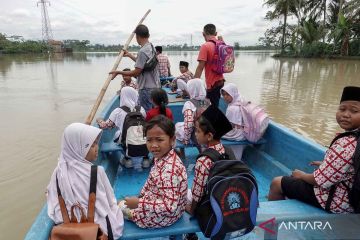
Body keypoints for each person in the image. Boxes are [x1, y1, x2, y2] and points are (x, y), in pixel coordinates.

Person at [268, 86, 360, 213]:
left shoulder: (345, 143)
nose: (345, 115)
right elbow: (353, 164)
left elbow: (319, 181)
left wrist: (301, 175)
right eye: (342, 109)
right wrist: (326, 164)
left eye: (354, 111)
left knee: (277, 183)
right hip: (352, 197)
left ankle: (271, 226)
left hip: (337, 202)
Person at [46, 123, 124, 239]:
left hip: (69, 226)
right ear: (78, 147)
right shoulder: (97, 171)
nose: (97, 148)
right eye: (91, 145)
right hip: (97, 229)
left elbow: (51, 197)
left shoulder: (58, 172)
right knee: (119, 206)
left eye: (96, 143)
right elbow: (109, 201)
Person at [119, 115, 188, 228]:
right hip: (174, 211)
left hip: (164, 218)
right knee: (127, 202)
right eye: (149, 140)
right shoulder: (164, 157)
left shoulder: (169, 171)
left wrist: (139, 203)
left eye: (159, 140)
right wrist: (142, 196)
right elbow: (152, 182)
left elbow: (169, 207)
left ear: (172, 140)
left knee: (119, 205)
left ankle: (132, 215)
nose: (153, 145)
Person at [186, 105, 233, 215]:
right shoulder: (227, 150)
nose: (195, 134)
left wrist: (191, 210)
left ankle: (189, 232)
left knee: (182, 194)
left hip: (210, 208)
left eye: (197, 131)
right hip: (225, 202)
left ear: (209, 136)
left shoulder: (204, 160)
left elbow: (197, 193)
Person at [109, 24, 160, 112]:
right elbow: (143, 64)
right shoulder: (151, 47)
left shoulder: (142, 51)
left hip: (146, 89)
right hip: (155, 86)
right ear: (148, 35)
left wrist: (119, 72)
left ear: (137, 37)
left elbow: (136, 72)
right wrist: (129, 55)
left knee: (146, 113)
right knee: (153, 111)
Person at [97, 87, 148, 170]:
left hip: (127, 142)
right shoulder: (141, 109)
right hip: (143, 140)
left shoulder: (118, 111)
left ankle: (127, 159)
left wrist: (99, 121)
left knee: (117, 134)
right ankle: (146, 159)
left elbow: (107, 126)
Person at [194, 23, 225, 107]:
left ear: (203, 34)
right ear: (216, 33)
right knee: (215, 103)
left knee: (211, 107)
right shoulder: (221, 44)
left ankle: (213, 119)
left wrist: (194, 84)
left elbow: (200, 67)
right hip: (221, 81)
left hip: (212, 83)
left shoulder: (205, 46)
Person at [175, 78, 208, 147]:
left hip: (197, 135)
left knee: (177, 126)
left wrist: (186, 140)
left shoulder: (189, 104)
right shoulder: (207, 102)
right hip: (207, 134)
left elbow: (188, 124)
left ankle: (182, 153)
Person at [221, 83, 247, 160]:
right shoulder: (242, 100)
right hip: (244, 132)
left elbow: (229, 126)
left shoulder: (231, 108)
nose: (225, 97)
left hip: (237, 134)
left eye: (227, 95)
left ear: (233, 94)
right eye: (224, 95)